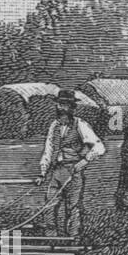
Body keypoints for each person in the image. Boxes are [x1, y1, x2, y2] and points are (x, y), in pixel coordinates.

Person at [34, 88, 105, 237]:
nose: (61, 108)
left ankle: (73, 237)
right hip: (57, 171)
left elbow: (99, 147)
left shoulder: (81, 125)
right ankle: (51, 237)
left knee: (72, 207)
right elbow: (48, 150)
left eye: (65, 105)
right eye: (59, 104)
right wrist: (42, 173)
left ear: (72, 107)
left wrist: (84, 161)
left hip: (73, 171)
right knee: (49, 205)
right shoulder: (54, 126)